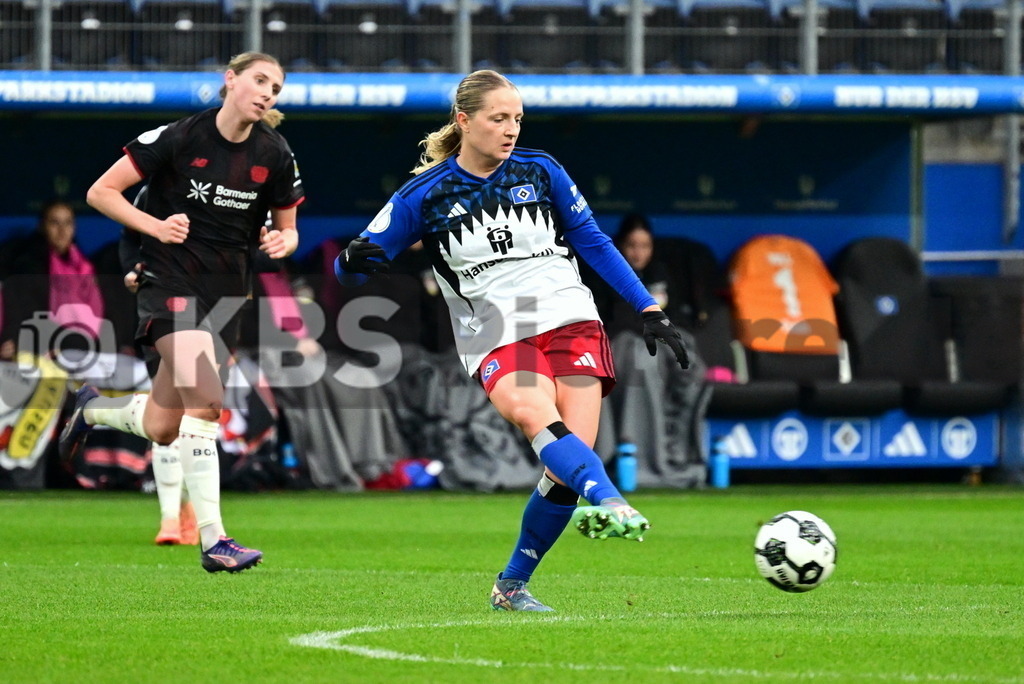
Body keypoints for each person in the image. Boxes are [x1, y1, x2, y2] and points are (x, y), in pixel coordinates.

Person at [334, 69, 689, 611]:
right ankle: (613, 501)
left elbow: (591, 240)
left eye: (517, 118)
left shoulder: (541, 170)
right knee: (532, 414)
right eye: (498, 118)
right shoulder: (424, 194)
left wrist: (648, 307)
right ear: (464, 121)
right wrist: (351, 263)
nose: (510, 129)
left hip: (571, 316)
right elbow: (353, 267)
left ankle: (512, 585)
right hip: (495, 330)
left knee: (567, 465)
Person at [61, 51, 305, 573]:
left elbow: (289, 229)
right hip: (168, 281)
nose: (267, 92)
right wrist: (155, 228)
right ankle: (215, 540)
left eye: (276, 88)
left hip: (227, 294)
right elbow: (100, 192)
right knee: (208, 399)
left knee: (164, 426)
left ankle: (92, 410)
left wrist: (283, 241)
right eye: (259, 80)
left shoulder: (275, 153)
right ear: (230, 80)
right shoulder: (179, 136)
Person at [0, 200, 106, 362]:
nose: (62, 230)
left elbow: (97, 312)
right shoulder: (29, 264)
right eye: (54, 222)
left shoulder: (84, 268)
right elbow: (20, 309)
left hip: (80, 343)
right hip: (41, 343)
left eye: (68, 223)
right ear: (42, 226)